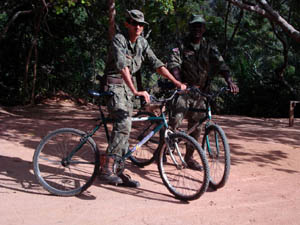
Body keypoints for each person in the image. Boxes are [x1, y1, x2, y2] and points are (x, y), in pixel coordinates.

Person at [100, 9, 186, 187]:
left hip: (126, 89)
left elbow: (157, 64)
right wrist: (136, 91)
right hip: (113, 86)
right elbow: (123, 67)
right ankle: (107, 168)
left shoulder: (142, 43)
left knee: (127, 125)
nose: (138, 26)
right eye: (134, 23)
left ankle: (119, 168)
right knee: (123, 122)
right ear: (127, 24)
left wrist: (177, 83)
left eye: (141, 24)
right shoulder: (119, 39)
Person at [167, 14, 239, 170]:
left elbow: (221, 64)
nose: (197, 29)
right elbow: (174, 65)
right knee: (176, 119)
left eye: (200, 26)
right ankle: (168, 144)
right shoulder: (180, 44)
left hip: (201, 92)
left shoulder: (209, 45)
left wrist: (229, 81)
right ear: (189, 28)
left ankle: (189, 158)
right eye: (194, 26)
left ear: (204, 28)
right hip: (184, 90)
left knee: (198, 125)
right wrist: (180, 84)